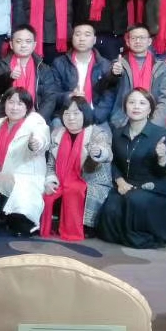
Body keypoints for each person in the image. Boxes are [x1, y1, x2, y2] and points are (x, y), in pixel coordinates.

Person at [97, 87, 166, 248]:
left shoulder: (160, 133)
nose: (136, 107)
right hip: (126, 184)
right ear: (125, 107)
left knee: (135, 200)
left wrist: (161, 157)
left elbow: (163, 172)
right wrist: (120, 181)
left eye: (142, 103)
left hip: (153, 186)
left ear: (150, 109)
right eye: (131, 102)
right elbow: (113, 162)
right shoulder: (118, 133)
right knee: (111, 207)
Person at [0, 87, 50, 236]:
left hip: (25, 179)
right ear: (5, 103)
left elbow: (42, 139)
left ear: (27, 107)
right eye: (11, 102)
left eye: (20, 103)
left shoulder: (35, 122)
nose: (14, 107)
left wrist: (35, 144)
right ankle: (2, 215)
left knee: (21, 226)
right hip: (0, 179)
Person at [43, 98, 113, 241]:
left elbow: (107, 153)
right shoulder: (56, 134)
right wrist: (50, 181)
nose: (71, 118)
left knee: (74, 189)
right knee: (47, 191)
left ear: (85, 114)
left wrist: (99, 152)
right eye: (67, 114)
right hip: (61, 180)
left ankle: (83, 227)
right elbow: (50, 165)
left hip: (91, 181)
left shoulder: (96, 133)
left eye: (76, 113)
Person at [107, 23, 166, 129]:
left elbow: (164, 98)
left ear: (149, 41)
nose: (138, 41)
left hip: (153, 120)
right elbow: (109, 87)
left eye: (142, 38)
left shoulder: (161, 67)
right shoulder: (119, 64)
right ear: (128, 42)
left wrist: (154, 124)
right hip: (123, 121)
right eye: (134, 38)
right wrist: (114, 74)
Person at [47, 21, 115, 124]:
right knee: (56, 128)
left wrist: (95, 118)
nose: (82, 38)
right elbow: (53, 94)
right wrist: (69, 96)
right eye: (78, 34)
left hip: (95, 115)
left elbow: (108, 97)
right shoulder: (59, 63)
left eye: (87, 35)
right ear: (72, 38)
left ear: (94, 40)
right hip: (67, 115)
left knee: (103, 134)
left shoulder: (105, 65)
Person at [0, 24, 57, 121]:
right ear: (11, 45)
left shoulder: (43, 68)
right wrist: (9, 77)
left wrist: (38, 119)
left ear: (34, 45)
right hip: (6, 119)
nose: (23, 45)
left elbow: (50, 98)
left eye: (28, 41)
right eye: (19, 41)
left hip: (36, 118)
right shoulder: (1, 66)